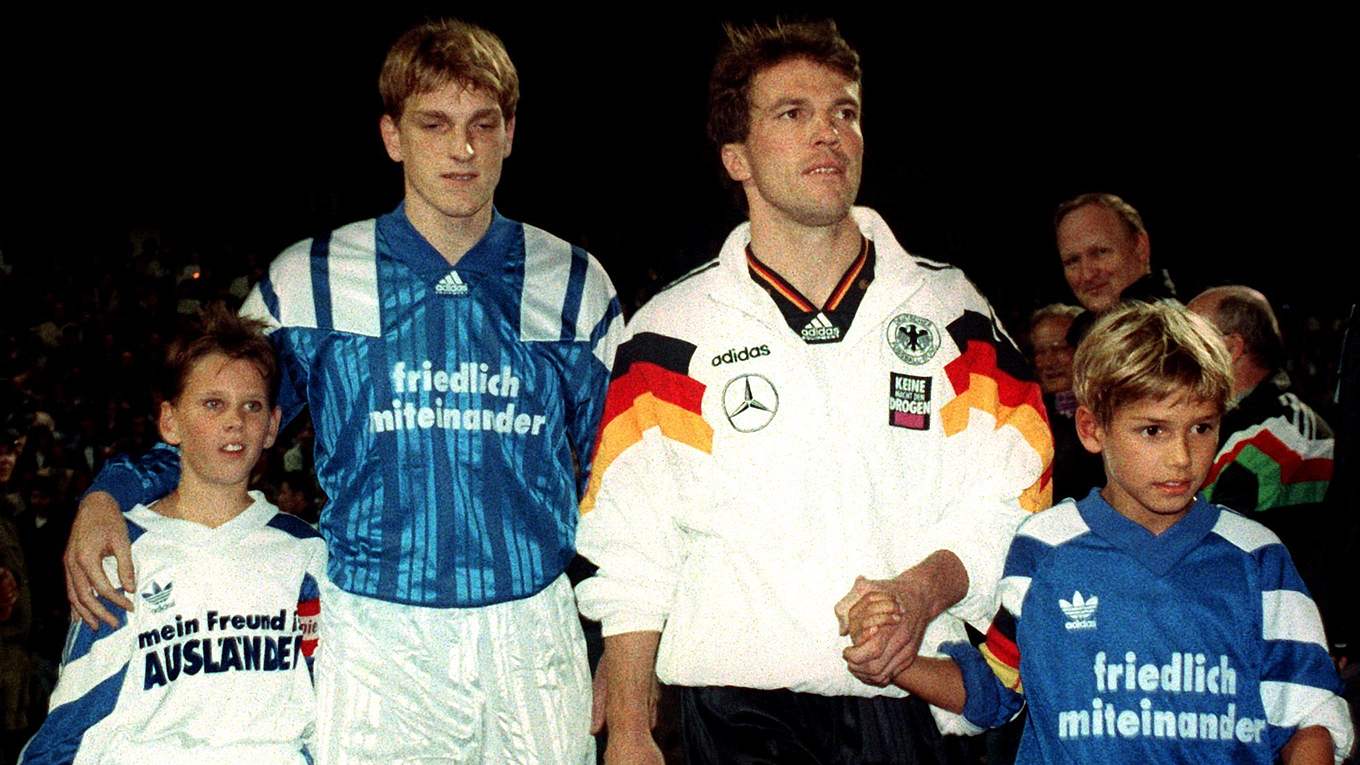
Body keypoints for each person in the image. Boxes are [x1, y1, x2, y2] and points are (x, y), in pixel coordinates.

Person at [63, 19, 621, 764]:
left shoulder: (578, 285)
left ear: (510, 133)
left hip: (533, 634)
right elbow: (223, 420)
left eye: (483, 124)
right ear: (392, 135)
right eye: (434, 124)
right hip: (378, 638)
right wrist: (110, 491)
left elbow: (624, 484)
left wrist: (624, 653)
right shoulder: (309, 280)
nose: (462, 148)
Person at [576, 20, 1051, 763]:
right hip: (736, 715)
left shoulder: (953, 313)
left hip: (912, 703)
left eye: (844, 112)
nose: (828, 132)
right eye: (792, 113)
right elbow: (632, 550)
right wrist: (632, 729)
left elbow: (1019, 496)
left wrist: (923, 591)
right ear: (736, 156)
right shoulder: (668, 332)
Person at [846, 302, 1354, 763]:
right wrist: (893, 660)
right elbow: (994, 690)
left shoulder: (1257, 558)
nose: (1181, 457)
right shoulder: (1044, 548)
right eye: (1152, 430)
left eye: (1201, 427)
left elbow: (1309, 722)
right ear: (1092, 429)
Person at [21, 306, 326, 763]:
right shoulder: (125, 548)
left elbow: (331, 705)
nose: (235, 421)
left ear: (272, 426)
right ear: (170, 422)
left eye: (252, 406)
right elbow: (75, 716)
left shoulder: (305, 552)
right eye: (213, 403)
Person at [1054, 193, 1174, 313]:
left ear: (1140, 246)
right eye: (1072, 261)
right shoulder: (1083, 323)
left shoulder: (1164, 320)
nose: (1087, 275)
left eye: (1101, 252)